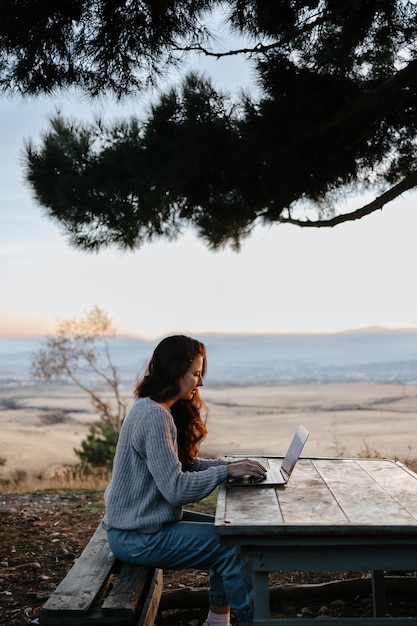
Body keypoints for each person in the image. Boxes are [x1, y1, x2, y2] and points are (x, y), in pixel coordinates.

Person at [102, 335, 266, 626]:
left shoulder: (153, 408)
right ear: (175, 371)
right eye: (196, 373)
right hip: (136, 536)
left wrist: (229, 466)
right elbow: (176, 488)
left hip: (138, 525)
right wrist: (224, 473)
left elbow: (183, 466)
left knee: (230, 533)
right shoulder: (155, 416)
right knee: (231, 546)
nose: (200, 382)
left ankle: (217, 621)